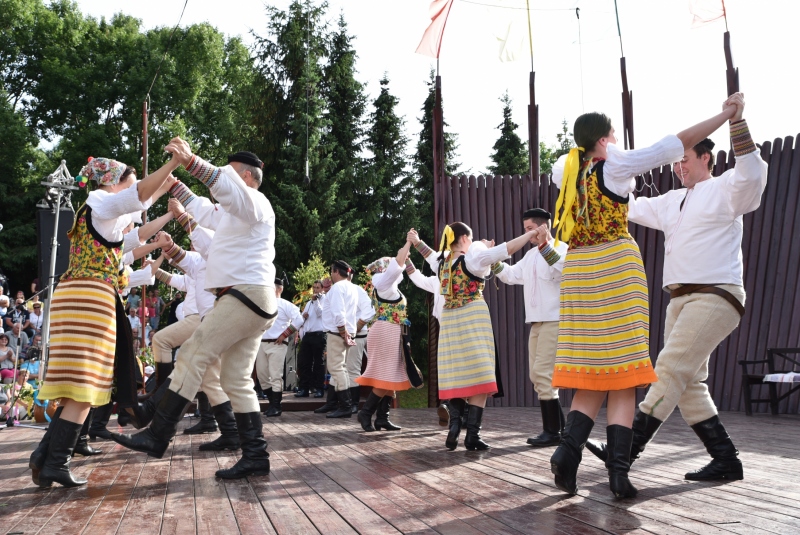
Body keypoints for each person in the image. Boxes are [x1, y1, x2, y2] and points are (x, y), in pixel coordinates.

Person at [546, 96, 745, 499]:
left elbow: (570, 164)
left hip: (579, 271)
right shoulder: (613, 163)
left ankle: (568, 452)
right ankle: (618, 473)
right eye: (613, 137)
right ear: (603, 141)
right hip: (615, 269)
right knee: (625, 372)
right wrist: (724, 116)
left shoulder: (565, 172)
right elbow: (674, 143)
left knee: (593, 370)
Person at [585, 94, 767, 482]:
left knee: (668, 368)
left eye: (685, 158)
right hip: (680, 300)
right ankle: (726, 459)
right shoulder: (670, 201)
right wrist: (596, 165)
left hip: (718, 295)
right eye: (675, 161)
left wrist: (736, 120)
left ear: (706, 159)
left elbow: (752, 174)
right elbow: (625, 204)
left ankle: (625, 450)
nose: (678, 166)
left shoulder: (726, 188)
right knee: (688, 382)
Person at [111, 140, 278, 480]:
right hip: (251, 299)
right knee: (235, 379)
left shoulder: (255, 201)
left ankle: (158, 433)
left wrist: (191, 162)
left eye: (230, 174)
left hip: (245, 295)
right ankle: (255, 454)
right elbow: (204, 211)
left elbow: (226, 191)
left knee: (192, 354)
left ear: (246, 177)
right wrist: (173, 182)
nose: (225, 181)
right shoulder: (236, 214)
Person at [29, 154, 176, 488]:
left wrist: (166, 203)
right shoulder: (102, 201)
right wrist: (173, 165)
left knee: (75, 384)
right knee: (87, 384)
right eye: (132, 178)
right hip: (91, 298)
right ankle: (56, 462)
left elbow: (134, 240)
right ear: (114, 180)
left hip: (75, 295)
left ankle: (44, 455)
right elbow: (137, 197)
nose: (136, 187)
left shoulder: (96, 216)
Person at [409, 223, 534, 451]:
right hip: (473, 317)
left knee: (457, 374)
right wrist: (530, 234)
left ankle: (455, 426)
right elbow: (506, 249)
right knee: (481, 375)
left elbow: (427, 253)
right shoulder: (472, 259)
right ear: (465, 238)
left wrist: (416, 242)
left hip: (449, 321)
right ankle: (472, 435)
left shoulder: (441, 263)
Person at [491, 208, 568, 447]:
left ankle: (553, 432)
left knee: (543, 375)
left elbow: (564, 271)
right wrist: (493, 260)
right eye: (525, 229)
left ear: (542, 227)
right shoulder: (531, 255)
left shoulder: (561, 248)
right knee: (537, 376)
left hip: (554, 320)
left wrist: (546, 245)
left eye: (529, 229)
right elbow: (512, 275)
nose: (526, 234)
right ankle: (560, 430)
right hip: (535, 321)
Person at [356, 246, 415, 432]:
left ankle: (382, 418)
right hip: (385, 332)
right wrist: (405, 248)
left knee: (393, 373)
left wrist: (405, 256)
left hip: (390, 331)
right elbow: (396, 267)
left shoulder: (388, 286)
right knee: (386, 375)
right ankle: (366, 412)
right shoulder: (384, 284)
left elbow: (398, 267)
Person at [315, 260, 360, 419]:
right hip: (346, 331)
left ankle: (345, 405)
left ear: (335, 272)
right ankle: (336, 404)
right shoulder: (351, 288)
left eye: (331, 272)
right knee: (341, 368)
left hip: (338, 333)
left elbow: (338, 312)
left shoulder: (338, 288)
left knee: (336, 368)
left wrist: (343, 332)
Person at [255, 278, 304, 417]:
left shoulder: (285, 305)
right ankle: (273, 403)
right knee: (262, 375)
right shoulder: (263, 303)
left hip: (277, 343)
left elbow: (299, 319)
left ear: (279, 289)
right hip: (262, 343)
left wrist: (285, 334)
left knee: (276, 375)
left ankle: (276, 406)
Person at [346, 271, 376, 414]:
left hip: (356, 336)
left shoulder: (357, 291)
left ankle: (354, 403)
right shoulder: (336, 291)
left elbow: (370, 311)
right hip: (341, 336)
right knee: (339, 369)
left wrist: (356, 328)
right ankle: (338, 402)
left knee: (352, 369)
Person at [295, 281, 327, 398]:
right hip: (307, 335)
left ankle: (319, 388)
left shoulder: (325, 301)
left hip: (319, 335)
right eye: (314, 287)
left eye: (318, 288)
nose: (315, 290)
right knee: (304, 363)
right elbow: (303, 319)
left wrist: (315, 301)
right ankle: (304, 388)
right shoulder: (309, 302)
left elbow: (321, 314)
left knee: (319, 363)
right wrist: (303, 316)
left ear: (322, 289)